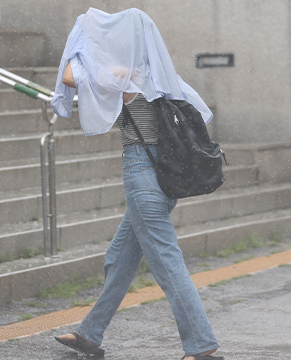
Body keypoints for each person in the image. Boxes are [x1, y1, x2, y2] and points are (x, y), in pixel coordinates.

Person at [51, 8, 221, 360]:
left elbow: (69, 75)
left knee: (166, 262)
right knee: (120, 256)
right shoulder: (160, 75)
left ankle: (201, 345)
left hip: (142, 173)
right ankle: (90, 333)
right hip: (166, 175)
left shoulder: (122, 74)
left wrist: (83, 34)